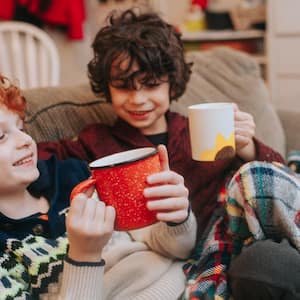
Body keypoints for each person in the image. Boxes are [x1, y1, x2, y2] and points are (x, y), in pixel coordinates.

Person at [36, 8, 287, 300]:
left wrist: (249, 147)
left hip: (224, 244)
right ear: (108, 88)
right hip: (161, 266)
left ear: (172, 83)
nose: (138, 99)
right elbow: (35, 160)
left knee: (272, 260)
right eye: (124, 87)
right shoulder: (96, 141)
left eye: (152, 85)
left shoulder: (201, 132)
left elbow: (277, 185)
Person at [0, 74, 197, 299]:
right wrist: (84, 255)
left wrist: (176, 219)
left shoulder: (73, 177)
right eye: (1, 136)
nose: (25, 140)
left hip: (194, 280)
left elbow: (177, 248)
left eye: (21, 129)